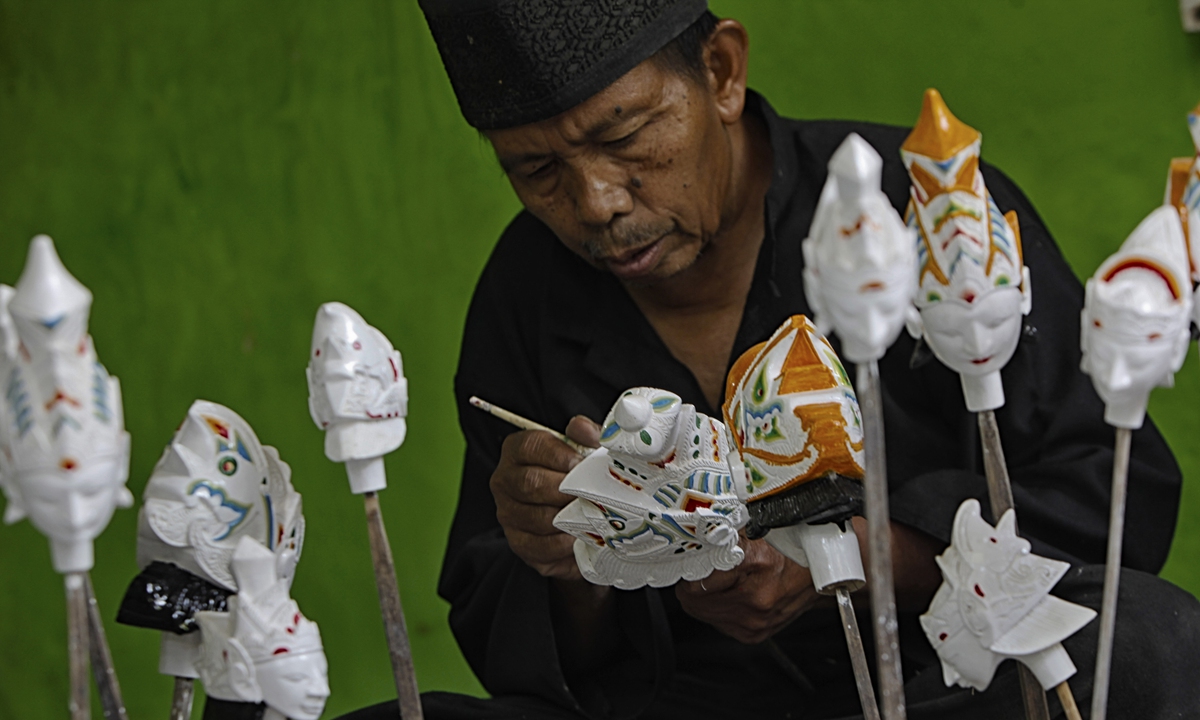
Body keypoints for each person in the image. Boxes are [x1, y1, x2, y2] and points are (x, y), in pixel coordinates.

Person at [341, 2, 1200, 718]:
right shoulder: (526, 290)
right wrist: (572, 561)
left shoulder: (924, 215)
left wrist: (866, 557)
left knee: (1142, 644)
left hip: (946, 681)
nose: (596, 203)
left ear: (720, 71)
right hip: (685, 705)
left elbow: (1107, 493)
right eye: (535, 171)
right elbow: (508, 633)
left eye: (628, 136)